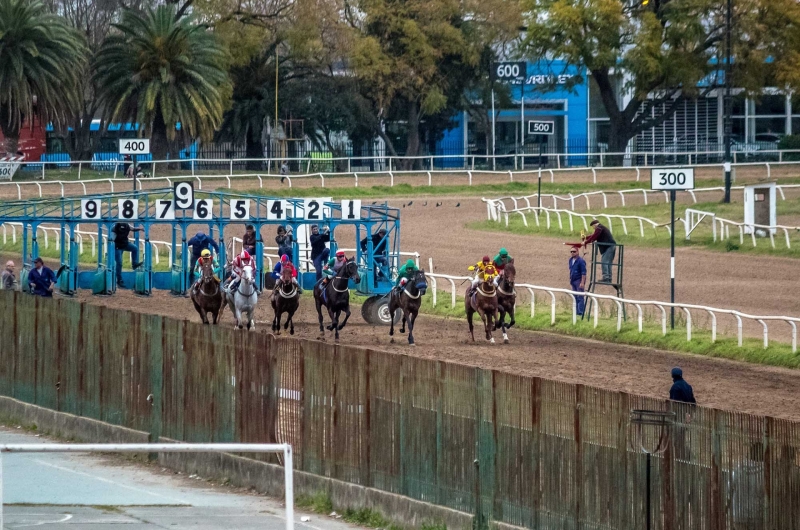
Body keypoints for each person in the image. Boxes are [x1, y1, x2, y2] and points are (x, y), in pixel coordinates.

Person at [112, 222, 142, 287]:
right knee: (119, 263)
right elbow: (112, 238)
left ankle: (134, 264)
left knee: (135, 248)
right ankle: (119, 280)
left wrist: (140, 228)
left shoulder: (126, 225)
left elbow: (133, 229)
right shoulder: (115, 227)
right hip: (117, 247)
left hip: (125, 244)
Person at [568, 245, 587, 316]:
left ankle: (580, 312)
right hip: (573, 280)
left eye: (574, 251)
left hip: (579, 280)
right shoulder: (570, 260)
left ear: (577, 252)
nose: (572, 253)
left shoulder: (581, 261)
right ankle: (576, 312)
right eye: (571, 252)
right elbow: (571, 270)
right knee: (575, 296)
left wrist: (582, 282)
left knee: (580, 297)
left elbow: (583, 272)